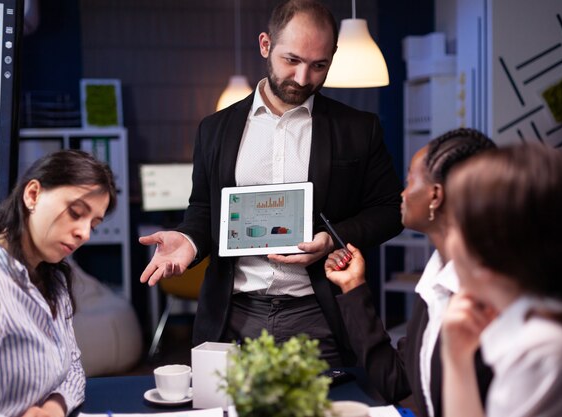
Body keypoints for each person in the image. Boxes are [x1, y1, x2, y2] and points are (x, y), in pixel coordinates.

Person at [139, 0, 403, 366]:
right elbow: (203, 209)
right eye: (291, 60)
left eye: (319, 65)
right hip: (232, 316)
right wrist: (187, 239)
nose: (302, 78)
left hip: (319, 315)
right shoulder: (214, 130)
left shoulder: (359, 129)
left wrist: (331, 239)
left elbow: (391, 211)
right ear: (265, 45)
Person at [324, 128, 495, 416]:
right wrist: (353, 287)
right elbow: (396, 381)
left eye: (409, 181)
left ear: (435, 195)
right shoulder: (435, 278)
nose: (402, 193)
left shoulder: (484, 295)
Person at [0, 150, 117, 417]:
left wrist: (54, 407)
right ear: (32, 195)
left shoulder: (53, 275)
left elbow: (73, 369)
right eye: (75, 212)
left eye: (93, 224)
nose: (84, 234)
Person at [441, 144, 562, 417]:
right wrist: (457, 358)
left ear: (485, 253)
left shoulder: (541, 353)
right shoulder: (556, 325)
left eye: (452, 226)